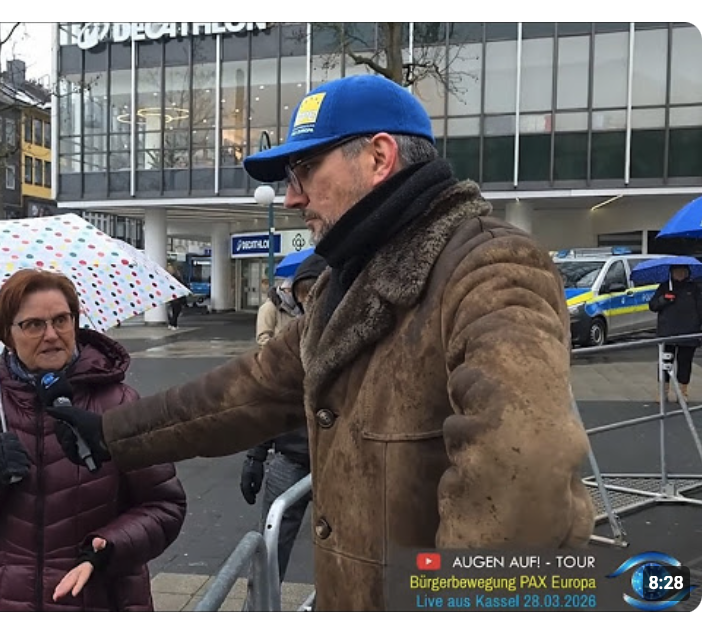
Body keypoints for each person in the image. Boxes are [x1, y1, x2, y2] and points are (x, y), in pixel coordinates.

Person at [44, 74, 596, 611]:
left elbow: (522, 474)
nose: (291, 198)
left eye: (306, 169)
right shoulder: (345, 281)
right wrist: (114, 433)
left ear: (380, 158)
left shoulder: (490, 266)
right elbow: (251, 389)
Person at [0, 268, 187, 612]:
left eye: (62, 319)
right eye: (33, 324)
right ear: (5, 333)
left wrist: (105, 550)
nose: (51, 334)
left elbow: (165, 505)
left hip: (99, 599)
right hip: (2, 602)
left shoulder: (118, 402)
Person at [241, 254, 326, 586]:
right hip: (290, 455)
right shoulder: (293, 343)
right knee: (270, 548)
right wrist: (255, 455)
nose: (308, 310)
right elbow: (267, 399)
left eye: (313, 299)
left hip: (339, 461)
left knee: (346, 553)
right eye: (302, 301)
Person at [648, 264, 702, 402]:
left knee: (685, 363)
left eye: (683, 272)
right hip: (667, 332)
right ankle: (663, 391)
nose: (680, 274)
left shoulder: (694, 288)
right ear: (671, 273)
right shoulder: (665, 287)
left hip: (689, 332)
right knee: (665, 362)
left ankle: (682, 392)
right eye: (677, 272)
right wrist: (664, 300)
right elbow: (653, 306)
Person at [166, 264, 186, 330]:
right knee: (176, 310)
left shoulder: (173, 277)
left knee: (175, 310)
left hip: (175, 296)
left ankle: (173, 323)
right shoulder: (173, 277)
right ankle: (173, 324)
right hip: (175, 296)